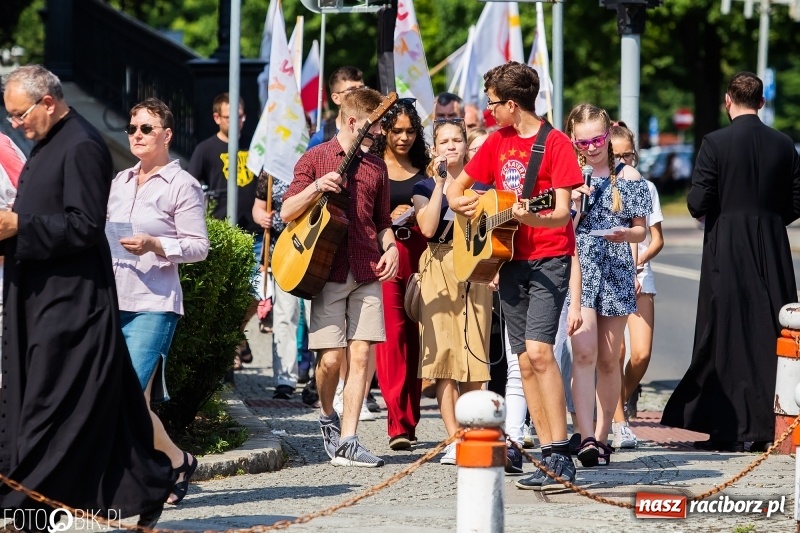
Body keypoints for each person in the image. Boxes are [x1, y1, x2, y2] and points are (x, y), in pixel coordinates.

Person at [0, 64, 173, 529]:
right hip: (41, 300)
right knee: (101, 413)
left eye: (19, 115)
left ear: (48, 102)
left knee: (47, 409)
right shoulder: (47, 144)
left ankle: (21, 505)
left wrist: (20, 226)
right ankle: (150, 484)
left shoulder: (81, 145)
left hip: (71, 306)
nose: (15, 124)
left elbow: (84, 225)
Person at [447, 61, 583, 491]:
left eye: (491, 106)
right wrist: (466, 206)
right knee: (523, 361)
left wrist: (530, 218)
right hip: (507, 260)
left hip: (549, 258)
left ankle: (562, 455)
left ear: (511, 104)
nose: (487, 113)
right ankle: (545, 455)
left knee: (541, 352)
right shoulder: (495, 142)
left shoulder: (556, 144)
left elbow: (561, 211)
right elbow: (455, 190)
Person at [662, 71, 800, 452]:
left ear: (728, 100)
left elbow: (696, 202)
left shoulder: (715, 142)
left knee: (724, 331)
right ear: (762, 102)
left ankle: (727, 427)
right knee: (772, 330)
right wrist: (769, 220)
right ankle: (770, 423)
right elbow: (797, 200)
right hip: (772, 244)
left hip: (727, 244)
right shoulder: (784, 144)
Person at [280, 87, 398, 467]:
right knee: (331, 360)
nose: (379, 132)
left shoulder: (377, 168)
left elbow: (381, 222)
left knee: (361, 353)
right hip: (325, 268)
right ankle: (327, 416)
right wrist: (316, 187)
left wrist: (392, 246)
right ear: (352, 122)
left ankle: (349, 438)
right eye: (374, 126)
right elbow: (285, 212)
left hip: (367, 267)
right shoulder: (315, 158)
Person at [108, 97, 209, 505]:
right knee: (120, 398)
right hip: (111, 299)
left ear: (166, 134)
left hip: (154, 303)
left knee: (130, 396)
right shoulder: (119, 181)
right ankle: (172, 464)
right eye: (132, 128)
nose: (136, 134)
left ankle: (165, 465)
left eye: (146, 128)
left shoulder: (182, 185)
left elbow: (199, 247)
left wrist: (156, 244)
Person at [564, 104, 651, 466]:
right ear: (574, 140)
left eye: (598, 139)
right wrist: (574, 203)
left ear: (608, 136)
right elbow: (560, 228)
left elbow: (641, 228)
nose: (592, 147)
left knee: (608, 358)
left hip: (615, 265)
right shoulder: (569, 175)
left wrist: (624, 235)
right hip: (579, 267)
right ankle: (584, 436)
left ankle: (602, 438)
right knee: (581, 354)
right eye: (583, 141)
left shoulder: (628, 175)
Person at [413, 117, 492, 465]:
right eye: (444, 141)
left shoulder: (485, 186)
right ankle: (452, 439)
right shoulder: (422, 185)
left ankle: (474, 433)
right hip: (439, 270)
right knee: (443, 357)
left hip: (476, 271)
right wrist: (440, 184)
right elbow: (428, 228)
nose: (451, 146)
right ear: (434, 148)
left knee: (475, 355)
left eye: (457, 140)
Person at [370, 98, 430, 450]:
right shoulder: (373, 167)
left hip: (424, 256)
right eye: (397, 131)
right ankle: (397, 424)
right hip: (388, 257)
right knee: (393, 340)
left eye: (410, 131)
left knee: (420, 341)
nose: (404, 138)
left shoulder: (426, 167)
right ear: (385, 132)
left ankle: (411, 417)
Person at [188, 92, 259, 368]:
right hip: (221, 233)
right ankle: (230, 347)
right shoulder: (205, 149)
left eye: (240, 116)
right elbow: (193, 188)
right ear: (217, 118)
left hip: (252, 233)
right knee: (225, 294)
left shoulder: (256, 148)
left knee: (254, 295)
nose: (237, 122)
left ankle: (236, 335)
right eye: (230, 117)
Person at [607, 122, 664, 434]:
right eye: (618, 155)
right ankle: (618, 421)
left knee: (641, 354)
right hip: (611, 275)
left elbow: (656, 239)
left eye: (630, 155)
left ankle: (620, 397)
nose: (625, 161)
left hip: (640, 272)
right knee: (616, 352)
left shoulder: (645, 186)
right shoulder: (601, 183)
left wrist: (638, 262)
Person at [252, 172, 298, 399]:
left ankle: (320, 379)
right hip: (281, 252)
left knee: (316, 317)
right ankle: (285, 379)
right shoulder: (271, 170)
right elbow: (258, 207)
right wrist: (262, 217)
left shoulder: (318, 159)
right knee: (284, 314)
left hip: (315, 250)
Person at [307, 66, 365, 149]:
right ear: (336, 98)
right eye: (352, 90)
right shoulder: (321, 139)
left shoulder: (375, 132)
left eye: (362, 88)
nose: (360, 93)